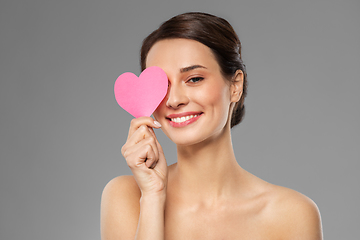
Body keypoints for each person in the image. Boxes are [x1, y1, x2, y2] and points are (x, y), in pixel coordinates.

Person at [101, 12, 323, 240]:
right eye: (162, 85)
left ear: (235, 85)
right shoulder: (126, 196)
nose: (174, 99)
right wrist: (153, 197)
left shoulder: (292, 215)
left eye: (194, 79)